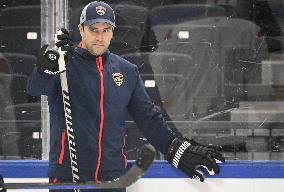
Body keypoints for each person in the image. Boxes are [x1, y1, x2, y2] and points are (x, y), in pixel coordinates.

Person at [27, 1, 225, 191]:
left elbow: (149, 118)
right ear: (81, 30)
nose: (100, 37)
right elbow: (35, 89)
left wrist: (175, 148)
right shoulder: (63, 64)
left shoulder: (126, 71)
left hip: (113, 179)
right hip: (68, 178)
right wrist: (47, 64)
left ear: (112, 32)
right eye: (93, 29)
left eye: (106, 30)